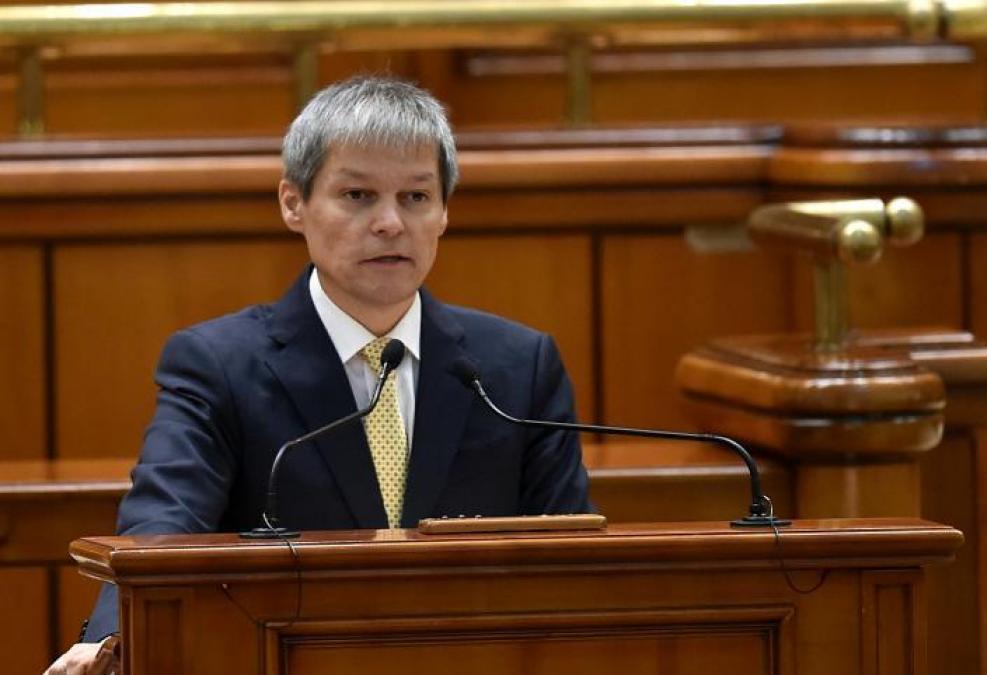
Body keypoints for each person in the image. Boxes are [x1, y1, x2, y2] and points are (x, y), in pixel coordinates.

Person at [44, 75, 591, 675]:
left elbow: (568, 559)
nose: (390, 223)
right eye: (357, 196)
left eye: (415, 197)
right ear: (293, 203)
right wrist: (113, 643)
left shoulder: (516, 366)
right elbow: (163, 527)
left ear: (443, 213)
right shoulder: (219, 364)